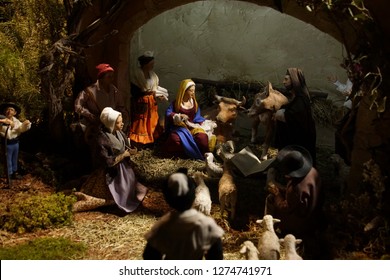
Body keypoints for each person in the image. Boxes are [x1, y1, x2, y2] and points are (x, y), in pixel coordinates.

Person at [72, 107, 147, 213]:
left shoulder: (119, 132)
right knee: (118, 191)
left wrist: (130, 150)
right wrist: (123, 155)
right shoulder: (101, 139)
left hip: (123, 168)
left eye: (121, 122)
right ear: (111, 124)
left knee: (131, 184)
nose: (122, 124)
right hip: (109, 172)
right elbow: (106, 162)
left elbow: (124, 145)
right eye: (118, 123)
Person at [143, 168, 224, 260]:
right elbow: (216, 256)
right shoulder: (206, 224)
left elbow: (150, 256)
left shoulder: (164, 225)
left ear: (168, 199)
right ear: (193, 194)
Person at [265, 145, 326, 258]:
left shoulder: (296, 187)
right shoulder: (313, 172)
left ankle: (272, 229)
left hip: (303, 221)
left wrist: (277, 194)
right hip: (315, 211)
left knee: (271, 199)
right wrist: (284, 190)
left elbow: (285, 207)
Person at [74, 63, 129, 146]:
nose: (112, 79)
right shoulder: (89, 91)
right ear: (101, 78)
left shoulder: (114, 90)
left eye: (112, 76)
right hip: (96, 121)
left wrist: (123, 115)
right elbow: (77, 106)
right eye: (109, 77)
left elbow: (120, 105)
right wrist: (89, 115)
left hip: (111, 122)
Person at [274, 68, 317, 165]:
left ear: (294, 80)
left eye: (286, 79)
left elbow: (293, 116)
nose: (283, 82)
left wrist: (280, 114)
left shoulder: (301, 100)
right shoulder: (296, 97)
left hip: (299, 143)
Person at [161, 79, 209, 160]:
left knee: (203, 138)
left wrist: (201, 124)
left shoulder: (194, 103)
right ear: (184, 91)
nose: (193, 93)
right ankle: (183, 155)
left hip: (192, 127)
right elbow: (168, 113)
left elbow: (197, 117)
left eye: (194, 91)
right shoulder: (176, 103)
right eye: (191, 91)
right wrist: (179, 116)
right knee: (174, 139)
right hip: (180, 128)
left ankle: (201, 154)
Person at [129, 51, 167, 148]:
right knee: (141, 122)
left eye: (153, 64)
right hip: (141, 101)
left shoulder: (153, 75)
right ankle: (139, 143)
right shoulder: (137, 74)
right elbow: (136, 90)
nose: (153, 66)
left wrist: (158, 95)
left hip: (151, 101)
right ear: (145, 64)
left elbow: (155, 88)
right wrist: (146, 94)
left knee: (152, 120)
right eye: (151, 64)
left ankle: (150, 142)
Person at [0, 102, 31, 179]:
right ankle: (9, 174)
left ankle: (14, 172)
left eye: (11, 110)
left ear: (14, 112)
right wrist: (2, 121)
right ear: (4, 111)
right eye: (7, 109)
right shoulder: (2, 118)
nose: (9, 111)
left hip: (15, 143)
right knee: (8, 159)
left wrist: (26, 124)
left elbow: (20, 128)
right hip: (7, 143)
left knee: (14, 158)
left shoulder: (16, 121)